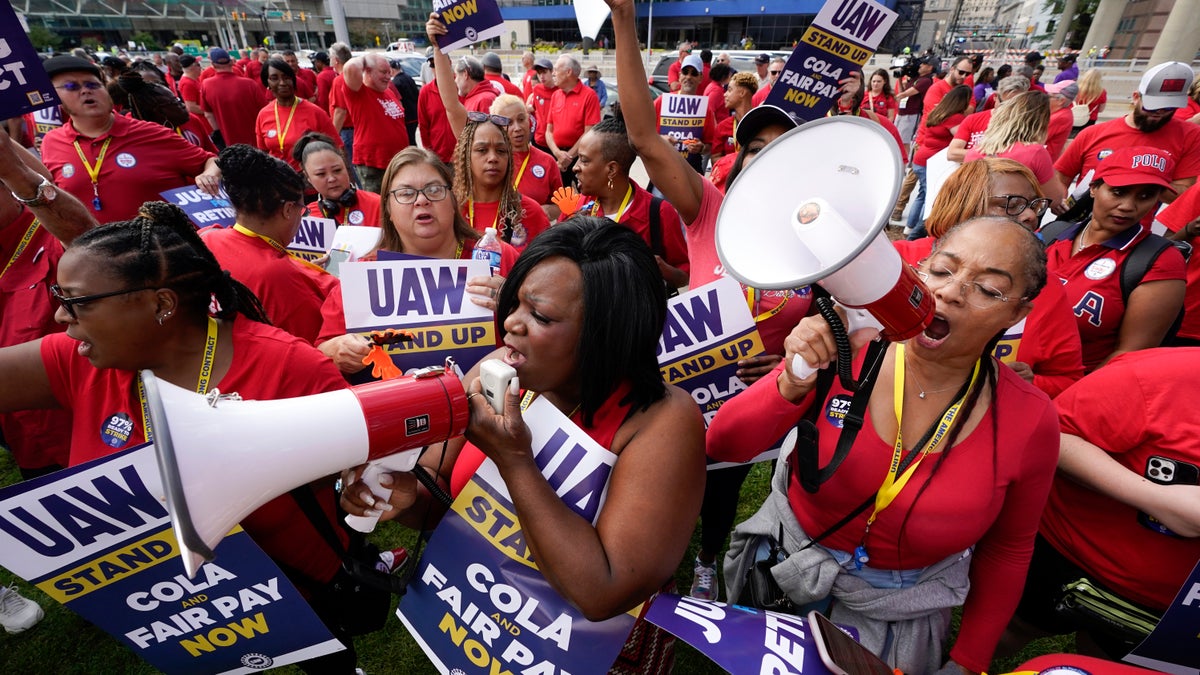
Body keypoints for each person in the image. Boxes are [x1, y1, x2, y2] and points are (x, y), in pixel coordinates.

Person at [0, 201, 364, 672]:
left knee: (325, 658)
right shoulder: (77, 359)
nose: (59, 317)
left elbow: (368, 476)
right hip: (176, 611)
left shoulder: (290, 368)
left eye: (78, 302)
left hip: (300, 587)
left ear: (161, 305)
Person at [340, 217, 706, 672]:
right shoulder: (498, 369)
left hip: (588, 653)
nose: (511, 322)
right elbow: (438, 495)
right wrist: (406, 496)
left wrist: (515, 462)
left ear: (607, 332)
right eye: (515, 303)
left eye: (541, 316)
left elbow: (603, 591)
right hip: (486, 629)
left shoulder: (663, 421)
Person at [711, 215, 1059, 675]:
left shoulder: (1030, 419)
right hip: (781, 566)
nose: (952, 292)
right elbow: (725, 443)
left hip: (898, 611)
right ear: (920, 270)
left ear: (1018, 313)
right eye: (942, 271)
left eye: (989, 289)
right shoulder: (848, 349)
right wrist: (794, 379)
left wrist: (969, 660)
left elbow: (1009, 549)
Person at [605, 0, 816, 605]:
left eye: (781, 149)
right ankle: (653, 563)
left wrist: (782, 370)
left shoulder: (820, 241)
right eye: (755, 147)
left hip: (759, 398)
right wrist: (624, 18)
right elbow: (643, 136)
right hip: (679, 387)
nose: (764, 158)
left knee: (722, 489)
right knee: (659, 483)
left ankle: (707, 559)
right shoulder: (710, 210)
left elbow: (836, 325)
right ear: (740, 158)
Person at [1003, 347, 1200, 660]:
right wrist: (1157, 499)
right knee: (1012, 631)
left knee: (1104, 659)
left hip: (1173, 605)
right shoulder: (1160, 376)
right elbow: (1053, 434)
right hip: (1070, 558)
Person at [896, 157, 1084, 397]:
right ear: (964, 203)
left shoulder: (1045, 287)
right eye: (1013, 204)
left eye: (1034, 205)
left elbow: (1068, 379)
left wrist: (1026, 384)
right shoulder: (897, 259)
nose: (1030, 216)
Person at [316, 147, 512, 374]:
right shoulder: (362, 277)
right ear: (388, 208)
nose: (422, 200)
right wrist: (335, 350)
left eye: (434, 190)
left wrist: (514, 305)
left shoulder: (499, 256)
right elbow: (320, 352)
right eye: (406, 193)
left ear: (453, 199)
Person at [1044, 145, 1187, 371]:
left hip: (1076, 393)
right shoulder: (1053, 234)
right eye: (1119, 192)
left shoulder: (1159, 262)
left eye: (1145, 195)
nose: (1128, 206)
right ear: (1093, 188)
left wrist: (1064, 395)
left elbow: (1128, 356)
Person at [38, 55, 222, 224]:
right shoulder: (51, 142)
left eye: (93, 85)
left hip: (166, 253)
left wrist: (209, 175)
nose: (85, 91)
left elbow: (212, 160)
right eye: (71, 87)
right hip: (99, 256)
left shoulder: (151, 133)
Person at [199, 145, 338, 345]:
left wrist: (304, 270)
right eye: (302, 210)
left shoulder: (206, 237)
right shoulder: (280, 275)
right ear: (289, 209)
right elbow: (313, 349)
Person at [1054, 61, 1200, 215]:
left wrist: (1143, 179)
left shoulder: (1190, 135)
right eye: (1152, 106)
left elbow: (1184, 192)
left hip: (1135, 230)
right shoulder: (1093, 133)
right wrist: (1059, 202)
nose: (1159, 113)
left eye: (1169, 108)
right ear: (1136, 97)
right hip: (1082, 221)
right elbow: (1061, 177)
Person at [571, 117, 690, 288]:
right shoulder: (579, 206)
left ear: (611, 169)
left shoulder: (658, 212)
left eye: (584, 160)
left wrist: (659, 268)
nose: (575, 167)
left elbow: (684, 276)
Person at [965, 91, 1064, 204]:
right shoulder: (1035, 152)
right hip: (1012, 217)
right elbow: (1055, 200)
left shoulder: (975, 151)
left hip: (975, 216)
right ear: (1040, 124)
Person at [338, 53, 410, 193]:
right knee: (378, 208)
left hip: (397, 161)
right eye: (383, 72)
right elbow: (351, 67)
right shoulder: (359, 92)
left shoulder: (388, 92)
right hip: (374, 165)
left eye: (389, 72)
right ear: (368, 70)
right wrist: (366, 59)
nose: (388, 77)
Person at [907, 85, 972, 239]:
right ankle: (915, 236)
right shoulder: (955, 118)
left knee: (922, 196)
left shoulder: (938, 112)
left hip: (921, 159)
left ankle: (909, 228)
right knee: (931, 201)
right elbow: (962, 137)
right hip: (934, 163)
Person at [255, 58, 339, 170]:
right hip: (278, 181)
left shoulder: (315, 112)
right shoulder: (263, 115)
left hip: (309, 181)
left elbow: (338, 148)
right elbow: (262, 152)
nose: (282, 83)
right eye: (274, 78)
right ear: (267, 83)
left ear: (293, 80)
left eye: (286, 77)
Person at [489, 94, 563, 221]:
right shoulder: (491, 161)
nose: (517, 128)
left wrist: (548, 211)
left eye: (521, 119)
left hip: (536, 236)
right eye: (509, 123)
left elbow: (562, 205)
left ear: (529, 120)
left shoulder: (547, 161)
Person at [293, 132, 381, 228]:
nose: (331, 179)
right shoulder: (305, 220)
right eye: (321, 174)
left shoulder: (377, 205)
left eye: (337, 170)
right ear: (308, 177)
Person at [653, 54, 717, 173]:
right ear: (679, 75)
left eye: (694, 73)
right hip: (663, 169)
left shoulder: (705, 108)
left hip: (692, 170)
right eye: (685, 72)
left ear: (701, 78)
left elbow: (709, 144)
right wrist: (661, 140)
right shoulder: (662, 101)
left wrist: (701, 147)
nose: (688, 77)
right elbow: (644, 133)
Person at [546, 54, 601, 186]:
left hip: (579, 157)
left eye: (556, 69)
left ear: (568, 72)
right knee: (558, 197)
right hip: (557, 156)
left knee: (583, 196)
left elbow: (589, 132)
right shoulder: (555, 95)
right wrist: (557, 154)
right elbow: (548, 131)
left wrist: (569, 157)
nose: (553, 73)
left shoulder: (589, 95)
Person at [947, 75, 1031, 161]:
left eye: (1014, 105)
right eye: (1004, 104)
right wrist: (992, 156)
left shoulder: (1026, 125)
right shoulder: (973, 119)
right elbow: (952, 153)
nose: (1008, 109)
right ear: (995, 97)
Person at [200, 48, 266, 148]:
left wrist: (219, 133)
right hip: (256, 141)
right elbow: (264, 110)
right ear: (231, 62)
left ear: (213, 65)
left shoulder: (206, 85)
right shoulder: (250, 84)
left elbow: (208, 114)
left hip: (230, 143)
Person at [709, 72, 759, 188]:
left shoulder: (761, 123)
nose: (725, 94)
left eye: (730, 90)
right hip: (729, 186)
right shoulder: (723, 126)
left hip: (755, 183)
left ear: (742, 93)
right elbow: (715, 159)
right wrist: (736, 163)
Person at [417, 47, 457, 164]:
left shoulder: (460, 87)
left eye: (439, 63)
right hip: (439, 158)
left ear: (449, 63)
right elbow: (423, 126)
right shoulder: (425, 92)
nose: (436, 68)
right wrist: (431, 154)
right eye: (433, 65)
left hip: (461, 156)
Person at [526, 58, 557, 154]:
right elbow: (534, 108)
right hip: (539, 138)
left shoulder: (559, 90)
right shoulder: (537, 89)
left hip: (555, 141)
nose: (542, 76)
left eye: (544, 72)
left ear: (552, 72)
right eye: (539, 73)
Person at [1042, 79, 1077, 160]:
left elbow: (1035, 138)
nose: (1046, 98)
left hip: (1044, 159)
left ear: (1061, 101)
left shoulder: (1060, 117)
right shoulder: (1060, 113)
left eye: (1049, 96)